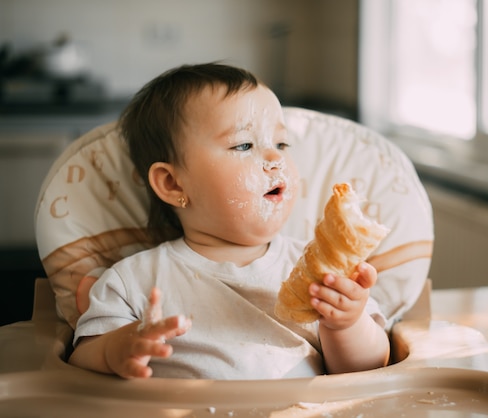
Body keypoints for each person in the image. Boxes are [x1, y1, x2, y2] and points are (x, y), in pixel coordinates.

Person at [68, 62, 390, 380]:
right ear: (172, 184)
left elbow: (368, 370)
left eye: (281, 144)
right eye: (244, 145)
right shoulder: (134, 281)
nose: (276, 158)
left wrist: (346, 324)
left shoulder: (321, 278)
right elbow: (80, 359)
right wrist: (115, 350)